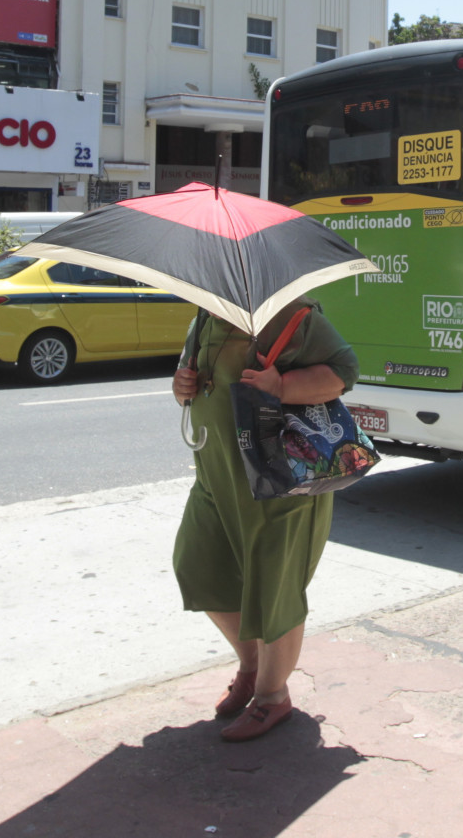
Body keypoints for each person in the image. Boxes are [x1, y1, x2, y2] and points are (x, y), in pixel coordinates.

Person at [170, 301, 357, 742]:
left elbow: (344, 370)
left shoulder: (291, 315)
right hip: (216, 476)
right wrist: (181, 386)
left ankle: (273, 697)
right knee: (198, 568)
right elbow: (193, 385)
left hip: (279, 485)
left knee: (276, 592)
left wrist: (282, 385)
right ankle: (252, 665)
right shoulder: (205, 317)